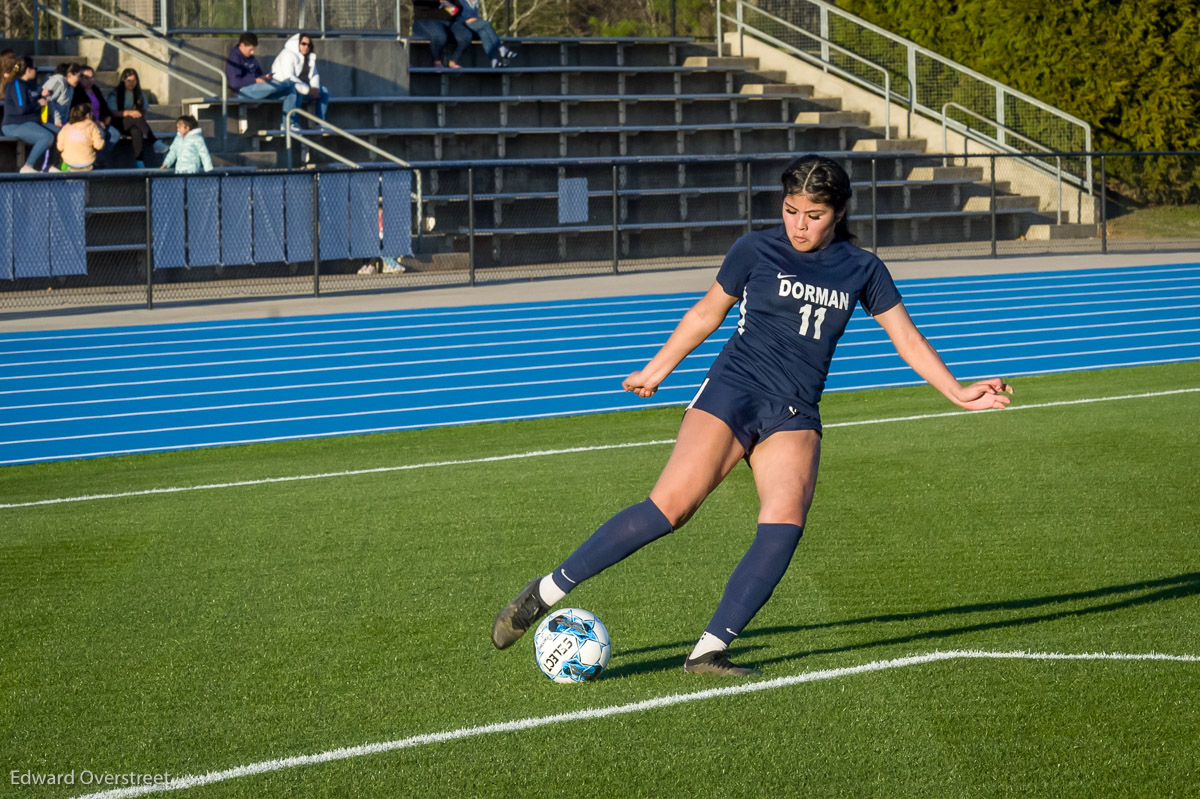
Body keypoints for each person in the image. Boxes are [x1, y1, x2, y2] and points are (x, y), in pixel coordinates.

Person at [491, 154, 1014, 677]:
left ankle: (709, 650)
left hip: (794, 409)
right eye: (790, 211)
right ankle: (544, 592)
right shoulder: (755, 248)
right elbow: (707, 312)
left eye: (813, 214)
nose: (799, 225)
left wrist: (956, 391)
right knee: (669, 509)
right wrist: (658, 369)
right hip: (734, 391)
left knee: (784, 525)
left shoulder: (863, 268)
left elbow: (906, 337)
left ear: (839, 212)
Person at [225, 32, 296, 129]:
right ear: (242, 45)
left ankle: (288, 125)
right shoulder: (235, 57)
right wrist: (255, 80)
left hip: (258, 89)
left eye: (253, 49)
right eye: (250, 49)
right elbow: (234, 83)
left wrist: (264, 78)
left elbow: (258, 74)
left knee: (290, 92)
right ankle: (287, 83)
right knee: (280, 85)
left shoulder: (250, 57)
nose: (253, 52)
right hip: (243, 92)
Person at [1, 56, 56, 173]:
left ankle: (48, 166)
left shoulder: (28, 85)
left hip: (30, 122)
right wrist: (39, 103)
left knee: (60, 133)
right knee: (46, 136)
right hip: (15, 125)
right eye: (35, 68)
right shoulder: (16, 84)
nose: (36, 70)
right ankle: (27, 166)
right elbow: (21, 109)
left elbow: (33, 96)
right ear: (28, 70)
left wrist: (42, 94)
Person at [271, 33, 330, 129]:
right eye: (303, 44)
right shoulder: (287, 54)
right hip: (284, 88)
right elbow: (289, 77)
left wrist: (315, 88)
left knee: (324, 91)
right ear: (297, 43)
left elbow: (314, 74)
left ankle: (320, 123)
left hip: (305, 89)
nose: (306, 47)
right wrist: (308, 90)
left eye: (309, 45)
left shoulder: (310, 57)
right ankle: (290, 124)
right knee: (295, 91)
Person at [106, 68, 157, 169]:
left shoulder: (139, 94)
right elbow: (113, 113)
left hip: (133, 124)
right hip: (118, 123)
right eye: (128, 80)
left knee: (136, 131)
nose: (131, 83)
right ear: (123, 81)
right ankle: (154, 141)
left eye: (134, 80)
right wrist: (129, 112)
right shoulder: (115, 93)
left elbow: (143, 111)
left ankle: (139, 161)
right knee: (133, 117)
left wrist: (136, 113)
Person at [443, 0, 515, 69]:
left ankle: (494, 60)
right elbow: (457, 14)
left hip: (473, 24)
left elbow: (475, 16)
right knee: (486, 24)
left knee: (483, 32)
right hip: (462, 25)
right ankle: (500, 48)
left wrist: (475, 20)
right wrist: (468, 19)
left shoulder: (475, 2)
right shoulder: (460, 1)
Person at [72, 66, 121, 157]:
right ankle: (92, 159)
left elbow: (104, 106)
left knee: (115, 134)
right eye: (86, 78)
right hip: (86, 123)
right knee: (100, 134)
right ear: (80, 78)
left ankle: (98, 158)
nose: (90, 80)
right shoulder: (77, 91)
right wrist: (95, 122)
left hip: (100, 122)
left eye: (92, 77)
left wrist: (107, 117)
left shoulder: (95, 89)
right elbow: (79, 112)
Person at [411, 0, 469, 68]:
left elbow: (458, 7)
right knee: (440, 36)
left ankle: (453, 60)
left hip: (447, 21)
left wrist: (453, 8)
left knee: (466, 35)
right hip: (426, 20)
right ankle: (437, 62)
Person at [55, 102, 106, 171]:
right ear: (88, 115)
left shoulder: (66, 127)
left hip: (69, 162)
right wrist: (102, 141)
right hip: (87, 162)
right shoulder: (92, 126)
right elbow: (98, 145)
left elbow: (60, 147)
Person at [42, 62, 82, 127]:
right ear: (69, 75)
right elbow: (49, 100)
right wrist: (57, 120)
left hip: (62, 120)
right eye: (78, 76)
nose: (80, 79)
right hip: (50, 119)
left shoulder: (70, 87)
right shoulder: (58, 82)